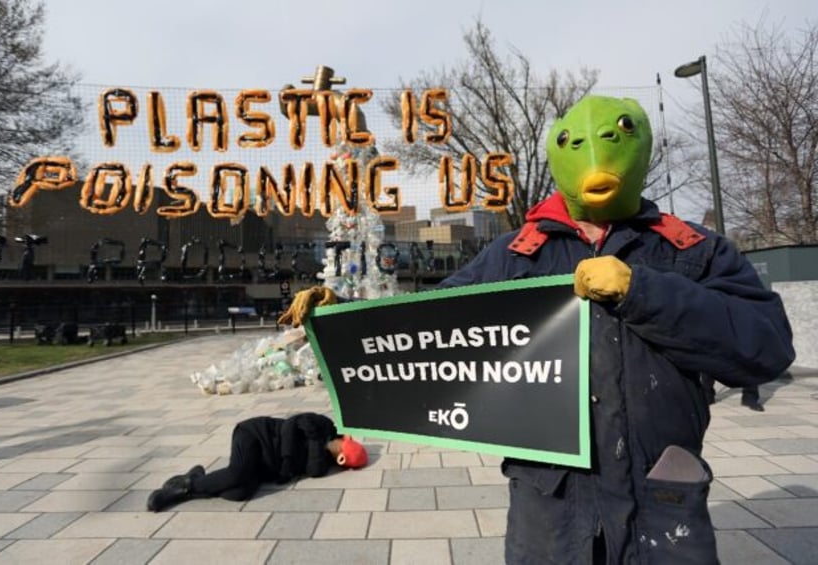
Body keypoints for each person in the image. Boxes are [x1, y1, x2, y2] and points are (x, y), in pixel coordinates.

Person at [279, 95, 794, 564]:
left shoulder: (692, 250)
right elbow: (426, 328)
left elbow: (765, 347)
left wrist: (644, 293)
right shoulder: (513, 256)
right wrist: (341, 316)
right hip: (549, 509)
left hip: (663, 500)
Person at [147, 412, 367, 512]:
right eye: (344, 447)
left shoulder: (323, 462)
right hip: (256, 433)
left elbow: (314, 470)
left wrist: (322, 448)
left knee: (239, 492)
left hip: (263, 464)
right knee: (237, 474)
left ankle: (196, 479)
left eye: (343, 457)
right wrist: (288, 462)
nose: (339, 452)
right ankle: (181, 489)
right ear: (344, 439)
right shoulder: (324, 425)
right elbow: (293, 423)